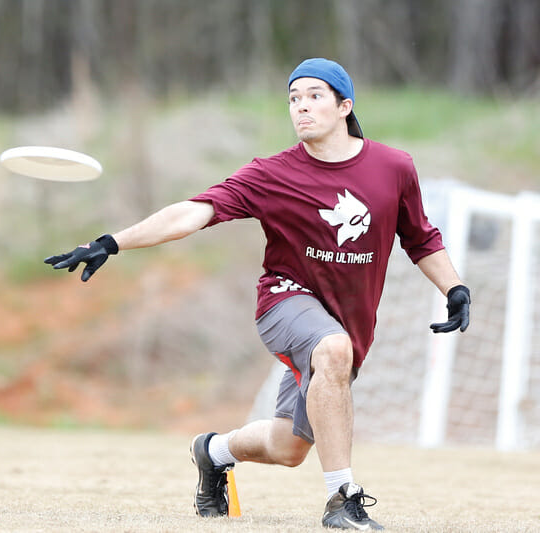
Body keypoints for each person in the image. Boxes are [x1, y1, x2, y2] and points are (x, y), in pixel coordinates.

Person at [44, 57, 471, 530]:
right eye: (293, 98)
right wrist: (113, 241)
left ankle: (212, 452)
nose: (301, 107)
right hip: (285, 303)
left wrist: (453, 288)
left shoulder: (393, 167)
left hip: (345, 326)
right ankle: (342, 500)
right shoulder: (273, 174)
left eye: (314, 96)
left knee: (289, 448)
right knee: (332, 348)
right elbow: (195, 212)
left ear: (344, 106)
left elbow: (420, 237)